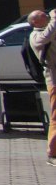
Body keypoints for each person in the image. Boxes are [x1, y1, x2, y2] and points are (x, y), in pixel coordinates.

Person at [28, 9, 56, 166]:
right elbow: (46, 37)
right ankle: (52, 153)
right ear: (35, 22)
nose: (47, 16)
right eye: (44, 16)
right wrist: (54, 18)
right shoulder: (36, 36)